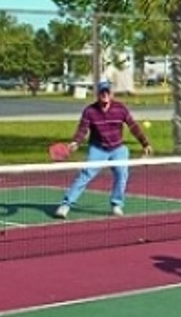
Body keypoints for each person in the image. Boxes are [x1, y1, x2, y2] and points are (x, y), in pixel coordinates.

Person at [55, 79, 153, 219]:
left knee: (122, 174)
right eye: (102, 92)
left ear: (111, 93)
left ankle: (116, 204)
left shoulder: (120, 108)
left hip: (118, 148)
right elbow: (82, 130)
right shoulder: (90, 111)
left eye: (107, 91)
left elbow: (133, 126)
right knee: (85, 175)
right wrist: (75, 142)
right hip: (98, 149)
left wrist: (145, 143)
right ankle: (65, 205)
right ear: (98, 94)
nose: (105, 94)